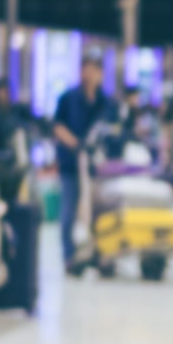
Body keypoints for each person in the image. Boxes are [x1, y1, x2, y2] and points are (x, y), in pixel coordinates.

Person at [51, 57, 116, 260]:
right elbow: (57, 126)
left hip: (96, 166)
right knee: (69, 210)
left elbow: (112, 128)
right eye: (86, 70)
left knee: (98, 211)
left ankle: (99, 251)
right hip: (71, 163)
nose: (90, 75)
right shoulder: (68, 98)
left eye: (94, 70)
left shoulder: (106, 102)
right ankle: (68, 254)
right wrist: (76, 144)